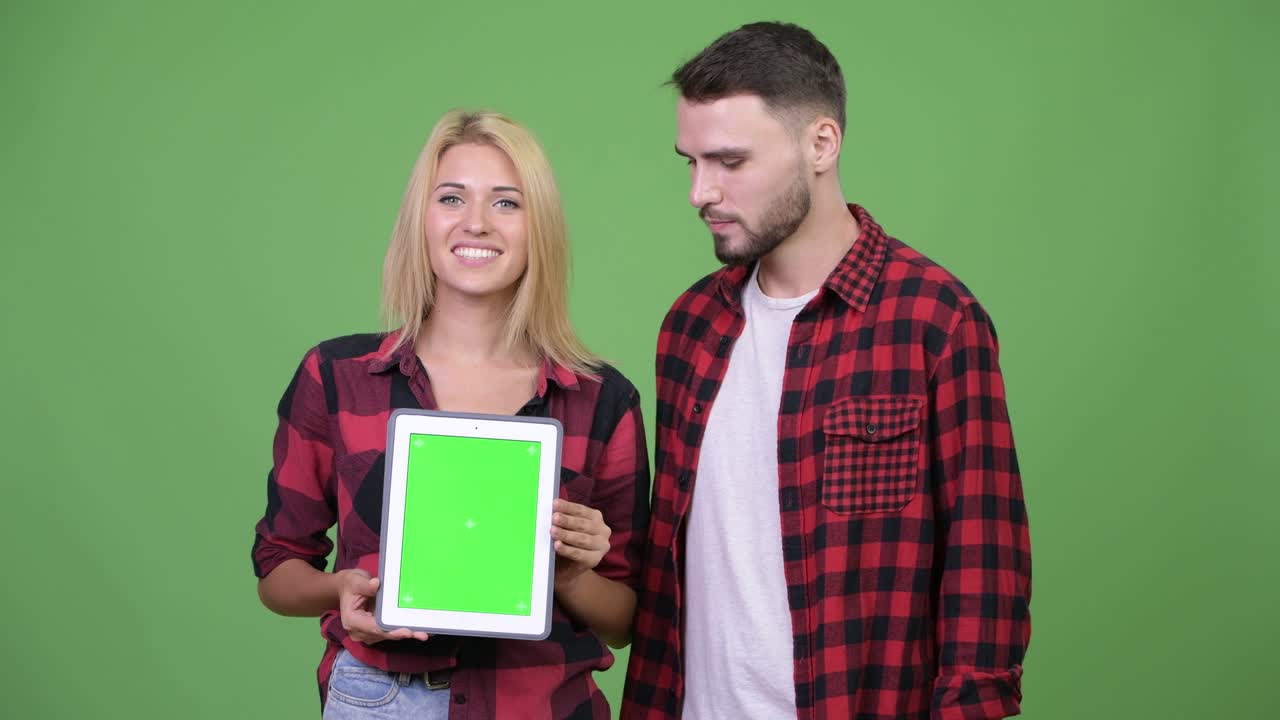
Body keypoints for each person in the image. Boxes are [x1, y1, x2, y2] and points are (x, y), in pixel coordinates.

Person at [624, 22, 1031, 719]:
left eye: (729, 162)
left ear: (821, 144)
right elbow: (669, 578)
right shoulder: (689, 327)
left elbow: (984, 578)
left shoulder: (935, 321)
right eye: (689, 162)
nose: (700, 192)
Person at [252, 110, 650, 719]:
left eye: (507, 203)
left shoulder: (601, 400)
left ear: (537, 226)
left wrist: (568, 575)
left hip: (543, 704)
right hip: (381, 699)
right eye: (452, 197)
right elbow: (278, 569)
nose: (476, 223)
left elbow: (626, 618)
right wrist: (342, 591)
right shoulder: (337, 377)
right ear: (423, 218)